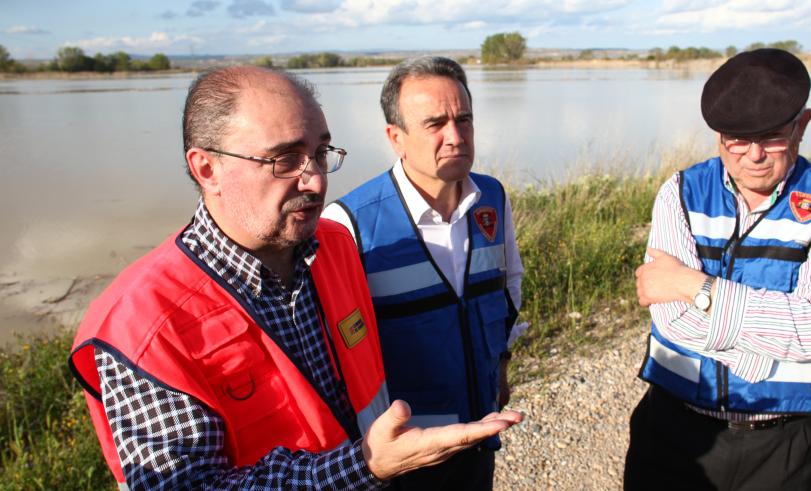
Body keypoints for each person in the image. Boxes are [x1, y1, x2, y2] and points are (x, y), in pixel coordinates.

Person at [68, 65, 522, 490]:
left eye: (321, 153)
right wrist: (364, 467)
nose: (317, 181)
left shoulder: (334, 247)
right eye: (285, 159)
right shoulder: (142, 324)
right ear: (207, 168)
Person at [624, 48, 811, 490]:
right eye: (736, 139)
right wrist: (782, 332)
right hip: (672, 429)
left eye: (773, 136)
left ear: (803, 125)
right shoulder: (679, 193)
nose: (753, 155)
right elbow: (671, 320)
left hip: (786, 441)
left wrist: (694, 286)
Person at [322, 56, 524, 490]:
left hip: (479, 436)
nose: (455, 136)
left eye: (464, 119)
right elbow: (336, 355)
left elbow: (508, 287)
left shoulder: (492, 197)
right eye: (435, 124)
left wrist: (501, 366)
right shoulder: (348, 225)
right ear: (396, 138)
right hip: (404, 456)